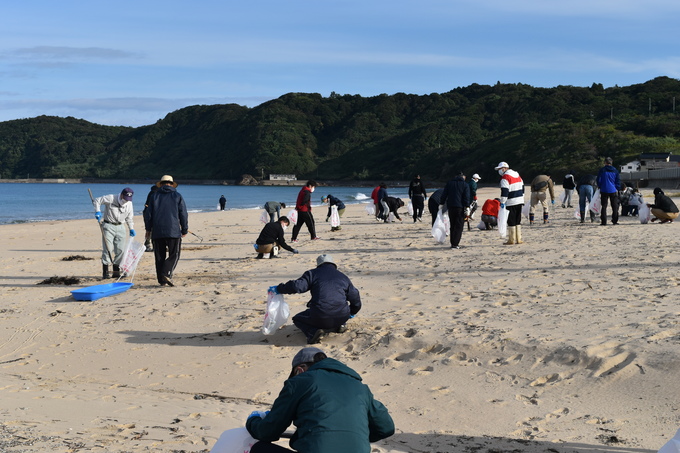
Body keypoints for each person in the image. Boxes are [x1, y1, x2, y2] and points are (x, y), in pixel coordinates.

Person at [246, 347, 395, 453]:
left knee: (256, 447)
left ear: (299, 370)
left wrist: (253, 420)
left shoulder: (300, 381)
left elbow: (267, 432)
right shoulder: (360, 387)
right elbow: (386, 428)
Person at [273, 254, 361, 344]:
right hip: (343, 316)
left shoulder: (312, 274)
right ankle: (340, 325)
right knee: (337, 310)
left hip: (321, 316)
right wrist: (353, 312)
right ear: (333, 264)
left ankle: (312, 333)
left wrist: (279, 289)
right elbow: (355, 296)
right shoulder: (343, 277)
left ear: (318, 264)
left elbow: (297, 286)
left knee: (297, 318)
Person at [143, 175, 188, 287]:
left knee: (159, 256)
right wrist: (184, 228)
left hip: (157, 230)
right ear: (171, 184)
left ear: (161, 184)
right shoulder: (177, 196)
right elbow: (183, 214)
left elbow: (148, 214)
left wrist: (148, 229)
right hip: (173, 230)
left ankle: (162, 280)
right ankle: (166, 273)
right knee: (175, 254)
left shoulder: (154, 196)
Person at [93, 188, 135, 279]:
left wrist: (131, 228)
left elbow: (129, 217)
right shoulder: (111, 198)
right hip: (108, 226)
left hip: (121, 227)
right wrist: (97, 211)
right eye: (125, 198)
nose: (126, 201)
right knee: (108, 249)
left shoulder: (129, 204)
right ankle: (106, 272)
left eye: (128, 199)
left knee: (120, 250)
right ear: (121, 195)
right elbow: (97, 200)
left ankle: (116, 271)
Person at [495, 161, 525, 245]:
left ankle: (511, 240)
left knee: (511, 220)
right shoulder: (517, 174)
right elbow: (523, 187)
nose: (499, 171)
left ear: (504, 168)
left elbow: (505, 191)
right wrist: (522, 197)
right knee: (517, 220)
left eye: (499, 169)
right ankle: (519, 239)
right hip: (520, 200)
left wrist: (502, 202)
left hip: (511, 201)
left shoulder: (505, 177)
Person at [440, 171, 470, 249]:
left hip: (451, 206)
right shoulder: (465, 185)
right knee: (459, 226)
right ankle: (455, 244)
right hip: (460, 207)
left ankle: (452, 242)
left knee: (452, 225)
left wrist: (441, 203)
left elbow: (444, 194)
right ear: (463, 177)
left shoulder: (449, 183)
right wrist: (467, 207)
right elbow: (466, 197)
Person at [596, 157, 622, 226]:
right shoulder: (615, 170)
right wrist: (618, 188)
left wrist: (599, 186)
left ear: (605, 162)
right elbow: (618, 181)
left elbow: (599, 180)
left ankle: (604, 221)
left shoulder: (602, 170)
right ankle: (615, 221)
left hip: (604, 189)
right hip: (613, 190)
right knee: (614, 206)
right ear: (611, 163)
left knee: (604, 206)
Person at [142, 185, 158, 252]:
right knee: (151, 230)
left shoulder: (153, 192)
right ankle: (148, 245)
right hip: (150, 213)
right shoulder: (154, 193)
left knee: (149, 230)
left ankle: (149, 245)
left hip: (148, 212)